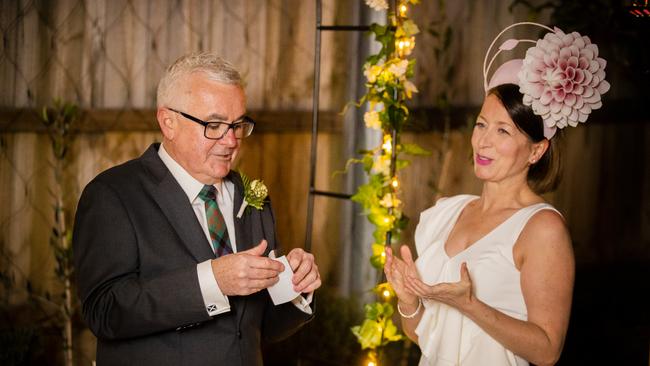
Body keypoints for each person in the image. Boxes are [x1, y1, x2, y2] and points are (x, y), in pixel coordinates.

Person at [73, 53, 321, 365]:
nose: (230, 141)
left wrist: (296, 288)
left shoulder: (253, 195)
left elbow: (262, 327)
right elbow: (104, 312)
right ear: (168, 122)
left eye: (238, 124)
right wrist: (212, 281)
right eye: (214, 124)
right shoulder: (112, 195)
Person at [384, 23, 610, 366]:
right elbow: (423, 335)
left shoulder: (541, 229)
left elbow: (548, 349)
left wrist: (470, 305)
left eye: (503, 130)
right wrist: (409, 301)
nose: (483, 141)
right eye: (481, 124)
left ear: (536, 151)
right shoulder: (446, 212)